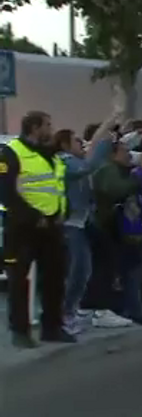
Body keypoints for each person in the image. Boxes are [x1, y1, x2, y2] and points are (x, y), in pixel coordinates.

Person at [0, 111, 75, 347]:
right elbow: (5, 193)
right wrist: (34, 216)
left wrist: (64, 211)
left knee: (54, 279)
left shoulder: (49, 155)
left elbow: (56, 187)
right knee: (18, 282)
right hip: (22, 228)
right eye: (47, 126)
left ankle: (52, 327)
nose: (51, 131)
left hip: (52, 226)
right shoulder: (11, 153)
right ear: (34, 127)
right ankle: (20, 332)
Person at [53, 112, 119, 334]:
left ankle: (74, 309)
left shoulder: (75, 160)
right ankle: (66, 314)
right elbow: (90, 163)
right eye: (76, 141)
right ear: (64, 145)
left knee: (88, 265)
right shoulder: (65, 162)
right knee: (79, 269)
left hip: (81, 222)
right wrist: (107, 128)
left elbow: (93, 153)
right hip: (69, 224)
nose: (81, 144)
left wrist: (121, 134)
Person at [92, 138, 142, 325]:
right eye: (123, 150)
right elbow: (116, 190)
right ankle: (130, 312)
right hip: (115, 231)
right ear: (112, 154)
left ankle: (133, 310)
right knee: (126, 273)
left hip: (131, 230)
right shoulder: (107, 171)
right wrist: (137, 180)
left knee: (134, 272)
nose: (128, 153)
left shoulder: (123, 169)